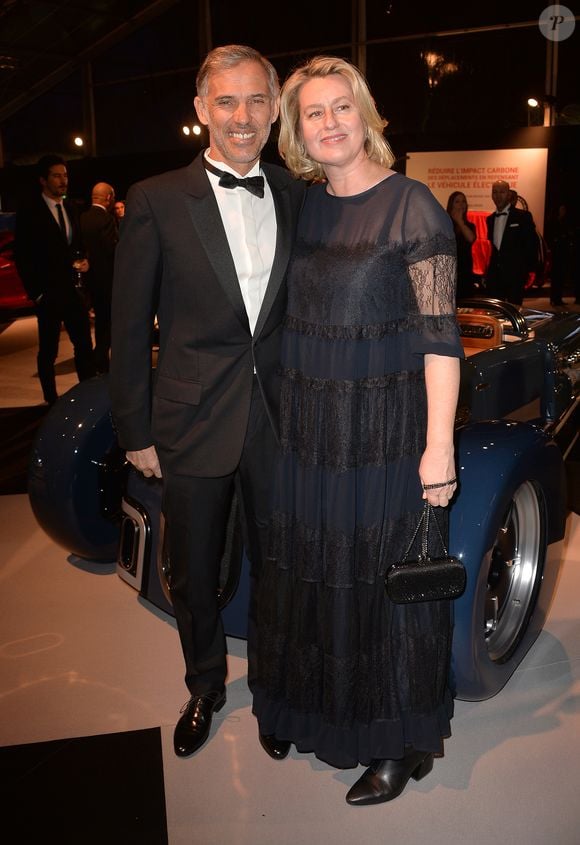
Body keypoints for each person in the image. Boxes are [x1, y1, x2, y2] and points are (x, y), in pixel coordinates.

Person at [251, 56, 463, 806]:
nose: (331, 122)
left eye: (343, 107)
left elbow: (441, 338)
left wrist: (439, 447)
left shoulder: (415, 209)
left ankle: (399, 740)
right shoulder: (304, 208)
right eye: (314, 112)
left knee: (382, 589)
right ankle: (299, 703)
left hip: (383, 436)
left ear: (365, 114)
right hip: (308, 434)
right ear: (298, 128)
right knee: (304, 573)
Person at [109, 45, 305, 760]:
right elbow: (128, 325)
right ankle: (205, 685)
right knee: (192, 569)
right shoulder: (158, 198)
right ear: (201, 110)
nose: (243, 116)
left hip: (279, 421)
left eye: (256, 100)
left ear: (275, 104)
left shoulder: (293, 191)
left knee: (281, 565)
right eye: (226, 101)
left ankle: (277, 693)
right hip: (189, 422)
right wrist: (134, 427)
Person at [14, 154, 95, 405]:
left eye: (65, 175)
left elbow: (78, 244)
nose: (63, 181)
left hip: (73, 291)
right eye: (57, 176)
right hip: (48, 294)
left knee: (83, 345)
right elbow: (22, 256)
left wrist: (85, 261)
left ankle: (87, 397)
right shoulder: (30, 212)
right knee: (48, 350)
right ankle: (50, 400)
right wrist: (36, 293)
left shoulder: (71, 207)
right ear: (43, 180)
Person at [80, 182, 118, 372]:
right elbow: (112, 250)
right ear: (109, 197)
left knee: (100, 323)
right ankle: (101, 359)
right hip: (108, 282)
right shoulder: (106, 220)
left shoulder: (82, 218)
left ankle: (99, 359)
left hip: (91, 282)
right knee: (109, 324)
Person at [485, 180, 537, 305]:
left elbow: (531, 244)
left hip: (515, 275)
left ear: (509, 194)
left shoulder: (523, 216)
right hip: (495, 277)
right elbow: (494, 248)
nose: (498, 196)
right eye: (495, 192)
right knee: (496, 312)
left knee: (514, 312)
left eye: (502, 192)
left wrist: (527, 271)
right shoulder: (490, 219)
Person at [446, 191, 476, 298]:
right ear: (451, 205)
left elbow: (471, 238)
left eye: (463, 202)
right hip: (449, 272)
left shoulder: (469, 225)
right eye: (457, 202)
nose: (461, 204)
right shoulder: (444, 223)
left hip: (465, 272)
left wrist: (460, 221)